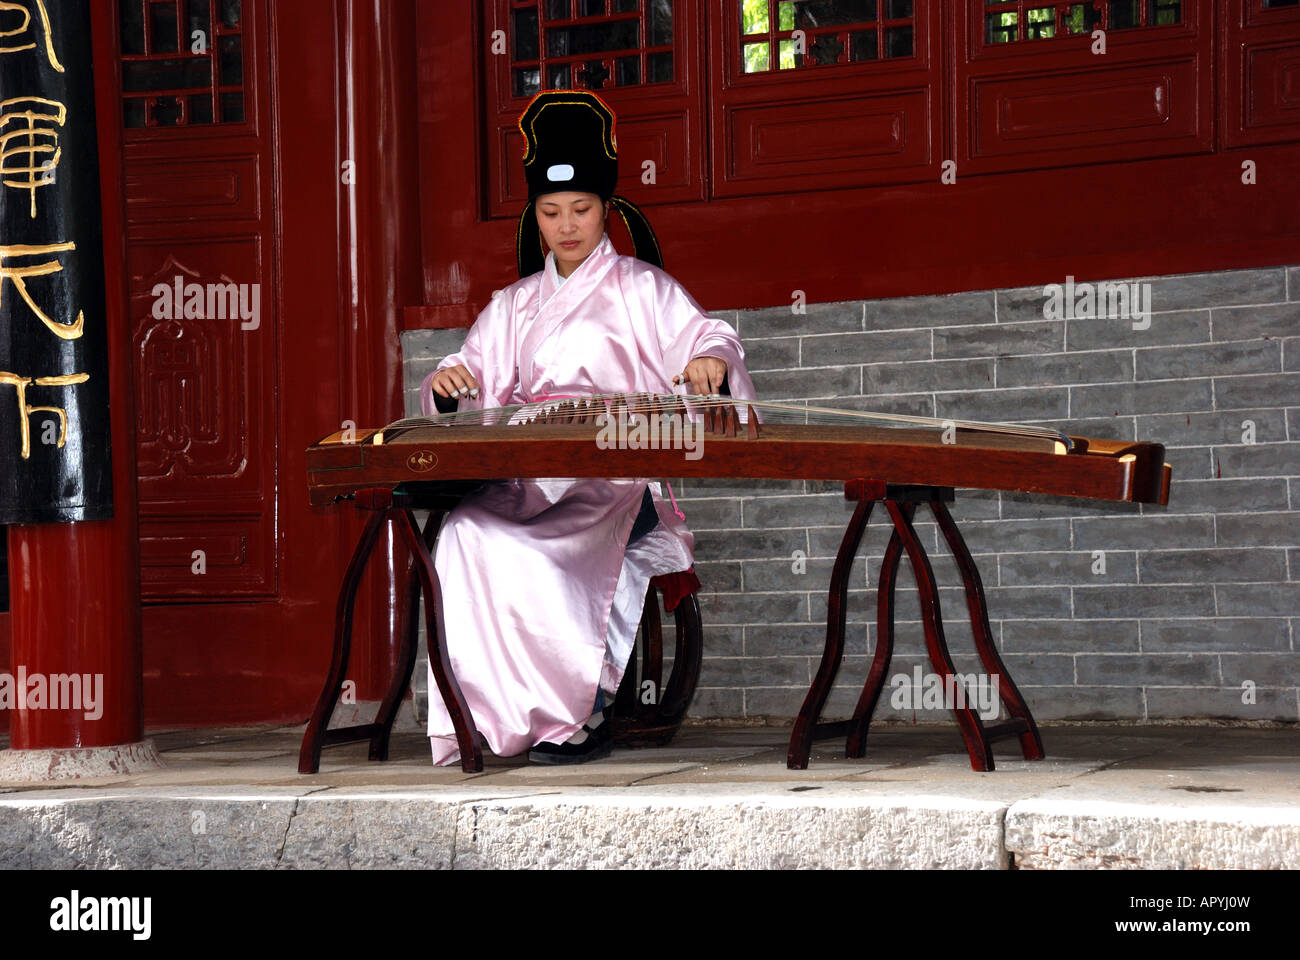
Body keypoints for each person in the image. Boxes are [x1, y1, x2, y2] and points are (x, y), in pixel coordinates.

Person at [419, 90, 756, 766]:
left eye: (581, 210)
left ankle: (574, 713)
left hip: (616, 475)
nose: (566, 225)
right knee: (463, 534)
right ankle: (487, 715)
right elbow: (472, 373)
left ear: (607, 209)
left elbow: (711, 336)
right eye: (550, 212)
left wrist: (708, 362)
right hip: (531, 473)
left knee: (544, 555)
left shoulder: (641, 288)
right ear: (534, 216)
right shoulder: (514, 304)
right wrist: (449, 385)